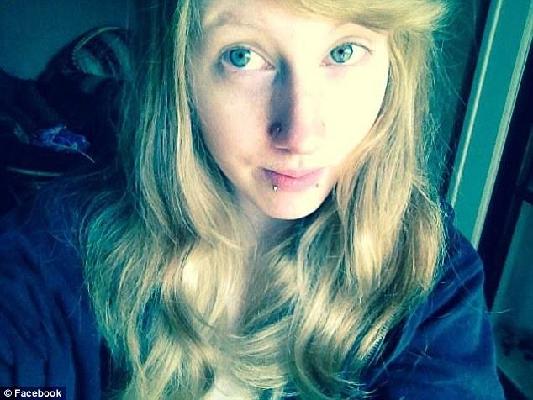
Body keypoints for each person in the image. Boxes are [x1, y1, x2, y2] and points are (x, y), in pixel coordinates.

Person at [0, 0, 506, 399]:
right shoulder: (55, 249)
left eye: (344, 51)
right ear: (180, 74)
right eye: (241, 56)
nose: (301, 133)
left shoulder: (433, 278)